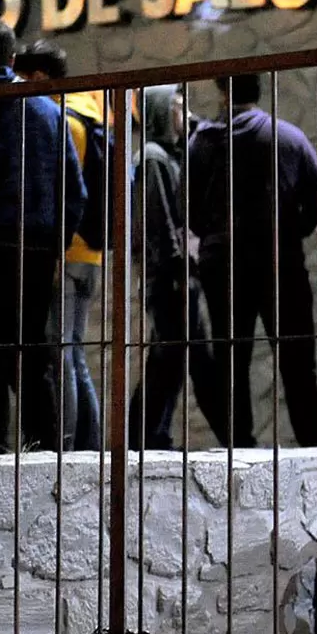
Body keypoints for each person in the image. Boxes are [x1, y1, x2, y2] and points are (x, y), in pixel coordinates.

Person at [0, 21, 86, 453]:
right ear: (12, 59)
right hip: (36, 247)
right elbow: (77, 191)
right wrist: (57, 246)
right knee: (34, 352)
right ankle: (47, 447)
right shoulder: (47, 112)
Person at [187, 74, 317, 447]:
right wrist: (291, 231)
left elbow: (187, 207)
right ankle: (313, 444)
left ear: (220, 91)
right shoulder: (287, 136)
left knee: (231, 359)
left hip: (224, 264)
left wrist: (214, 233)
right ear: (260, 91)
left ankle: (240, 447)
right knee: (298, 360)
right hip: (280, 261)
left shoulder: (201, 143)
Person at [15, 39, 106, 450]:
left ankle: (64, 448)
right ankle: (89, 444)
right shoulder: (89, 112)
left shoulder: (58, 119)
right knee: (76, 354)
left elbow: (66, 191)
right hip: (90, 253)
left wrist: (55, 247)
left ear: (36, 77)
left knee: (59, 353)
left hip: (65, 252)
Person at [128, 84, 221, 449]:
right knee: (192, 357)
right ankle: (234, 438)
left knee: (169, 357)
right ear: (162, 111)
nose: (186, 114)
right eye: (179, 108)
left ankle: (148, 438)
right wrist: (178, 267)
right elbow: (160, 219)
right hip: (169, 275)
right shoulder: (153, 157)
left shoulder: (168, 154)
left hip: (174, 273)